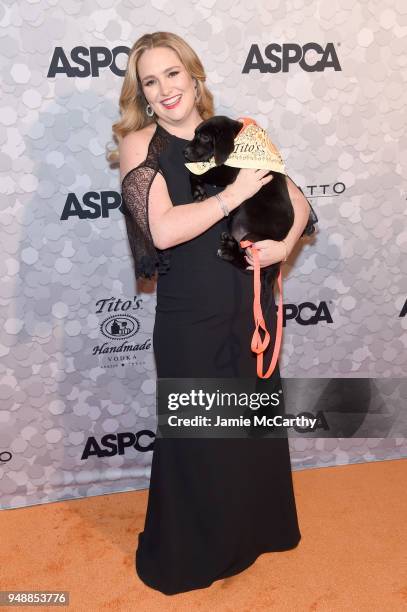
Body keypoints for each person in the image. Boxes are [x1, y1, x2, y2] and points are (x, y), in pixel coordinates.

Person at [110, 31, 314, 596]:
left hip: (248, 305)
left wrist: (283, 247)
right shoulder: (141, 145)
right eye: (150, 81)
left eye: (172, 73)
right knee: (199, 435)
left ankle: (255, 533)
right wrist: (231, 195)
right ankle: (193, 555)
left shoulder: (236, 133)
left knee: (251, 427)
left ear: (193, 75)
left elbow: (296, 198)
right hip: (190, 313)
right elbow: (163, 228)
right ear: (142, 94)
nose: (165, 89)